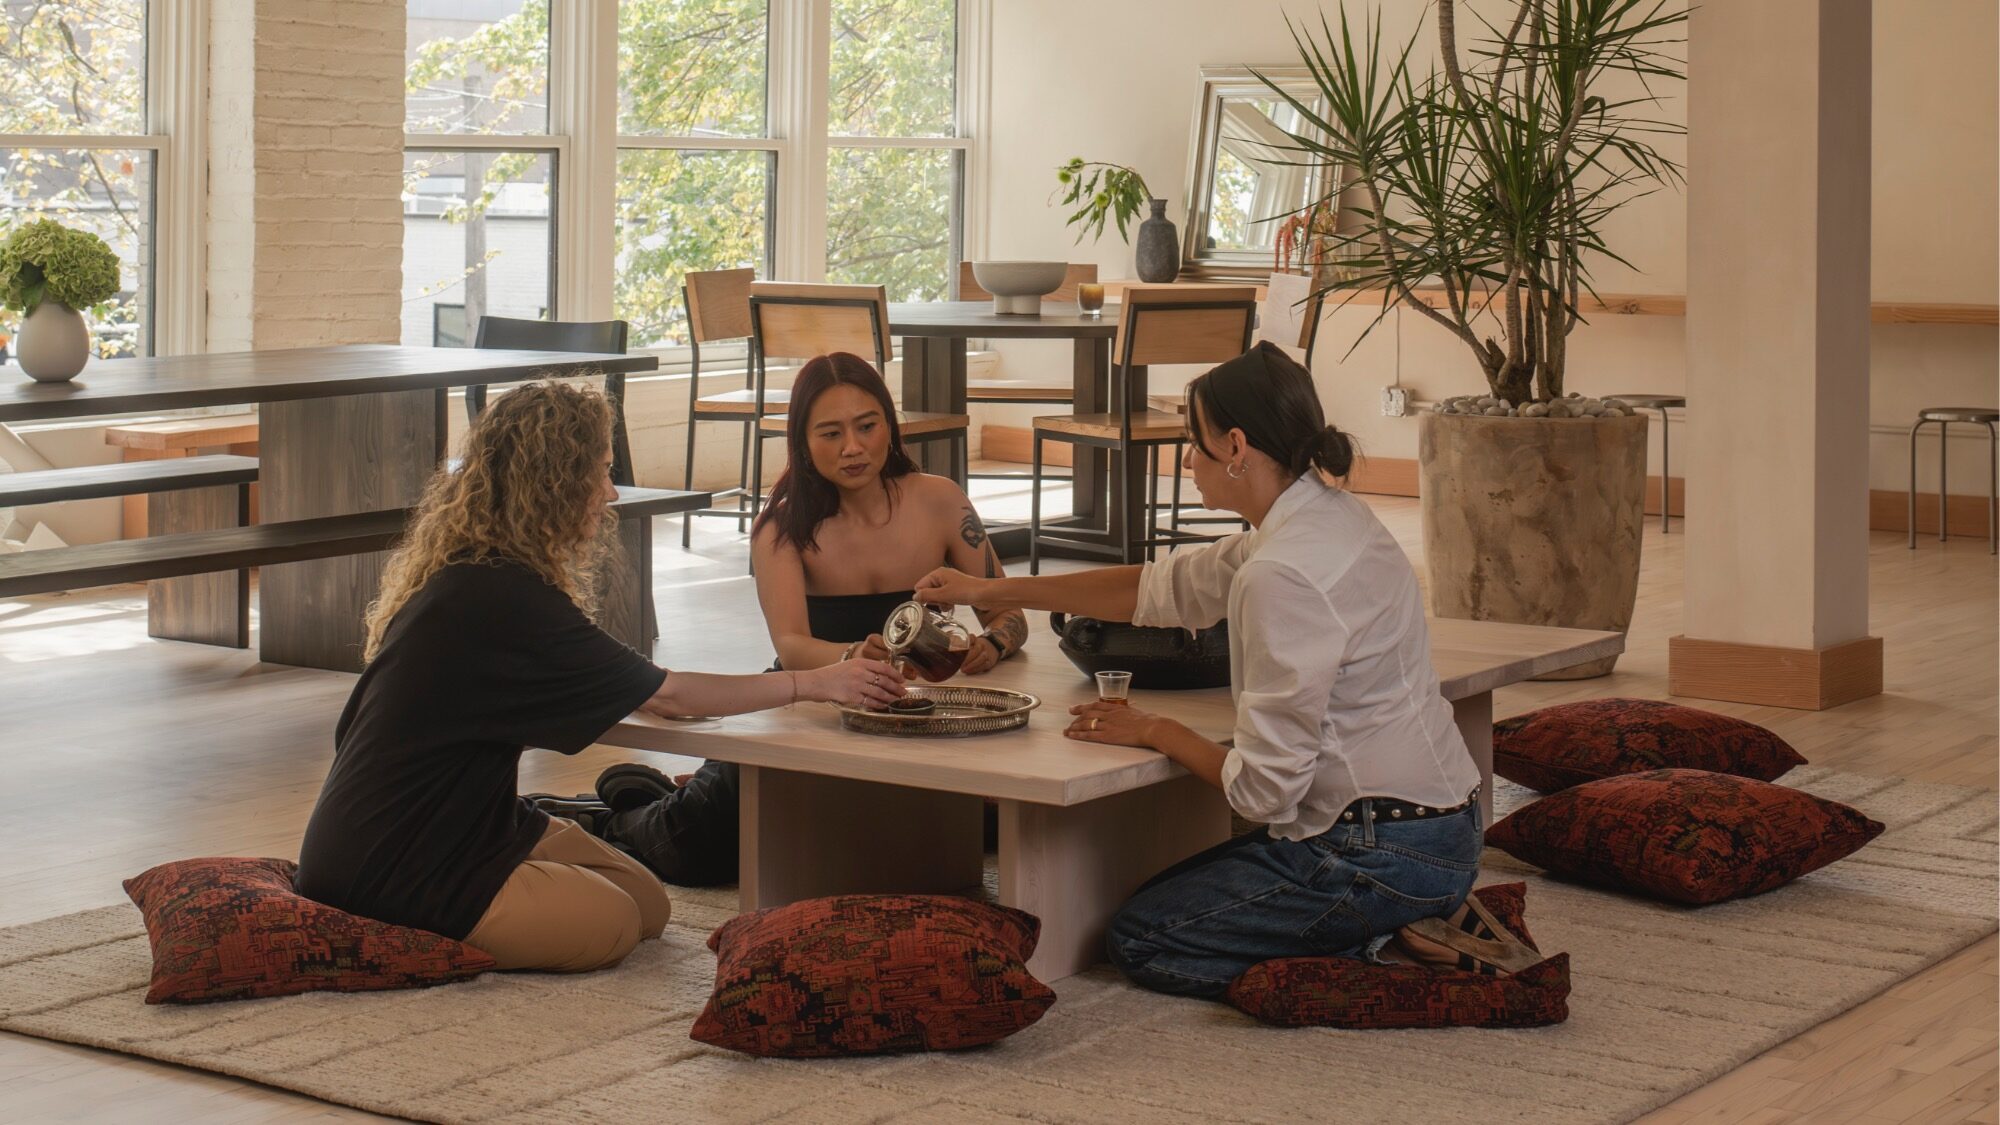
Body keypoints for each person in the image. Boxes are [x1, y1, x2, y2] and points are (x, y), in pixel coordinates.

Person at [914, 341, 1534, 997]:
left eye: (1194, 442)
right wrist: (987, 591)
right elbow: (1157, 589)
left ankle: (1386, 955)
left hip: (1377, 850)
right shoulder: (1328, 516)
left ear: (1236, 447)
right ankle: (1407, 919)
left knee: (1143, 937)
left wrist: (1155, 729)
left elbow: (1265, 793)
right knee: (1172, 896)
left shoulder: (1281, 574)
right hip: (1448, 827)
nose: (1187, 459)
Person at [294, 381, 903, 973]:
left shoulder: (480, 577)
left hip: (466, 826)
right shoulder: (498, 597)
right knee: (614, 924)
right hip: (401, 866)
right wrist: (814, 682)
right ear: (555, 483)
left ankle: (556, 839)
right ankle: (424, 934)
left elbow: (643, 692)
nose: (609, 493)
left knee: (648, 904)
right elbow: (671, 695)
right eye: (601, 472)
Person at [544, 352, 1029, 885]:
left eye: (867, 426)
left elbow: (1007, 612)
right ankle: (604, 819)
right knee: (693, 851)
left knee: (976, 825)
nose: (852, 447)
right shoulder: (781, 527)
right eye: (830, 433)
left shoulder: (942, 501)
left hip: (914, 710)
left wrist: (994, 644)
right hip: (807, 702)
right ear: (802, 442)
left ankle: (666, 790)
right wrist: (849, 658)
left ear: (889, 426)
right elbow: (792, 645)